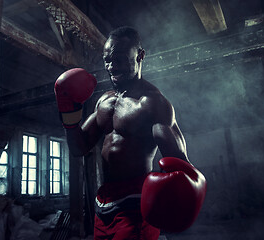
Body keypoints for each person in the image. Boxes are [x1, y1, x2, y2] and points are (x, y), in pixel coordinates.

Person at [54, 26, 206, 240]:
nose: (112, 67)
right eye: (107, 60)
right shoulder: (104, 102)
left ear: (140, 56)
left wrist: (180, 199)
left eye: (120, 59)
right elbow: (78, 147)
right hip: (102, 205)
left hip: (135, 207)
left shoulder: (153, 103)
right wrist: (68, 113)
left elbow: (181, 165)